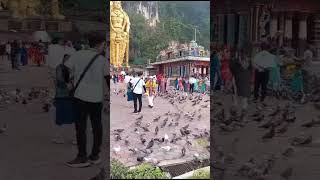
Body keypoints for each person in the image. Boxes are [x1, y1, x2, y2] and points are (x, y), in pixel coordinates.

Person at [64, 33, 107, 168]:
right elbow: (108, 79)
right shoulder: (102, 60)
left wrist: (68, 82)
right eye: (104, 44)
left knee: (81, 128)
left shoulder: (78, 54)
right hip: (96, 99)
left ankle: (82, 157)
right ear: (100, 44)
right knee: (97, 127)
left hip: (79, 97)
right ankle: (95, 155)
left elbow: (64, 68)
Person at [53, 54, 74, 144]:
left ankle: (59, 137)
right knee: (74, 118)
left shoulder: (59, 68)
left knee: (60, 118)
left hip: (62, 96)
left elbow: (59, 80)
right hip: (72, 96)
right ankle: (75, 138)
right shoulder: (74, 69)